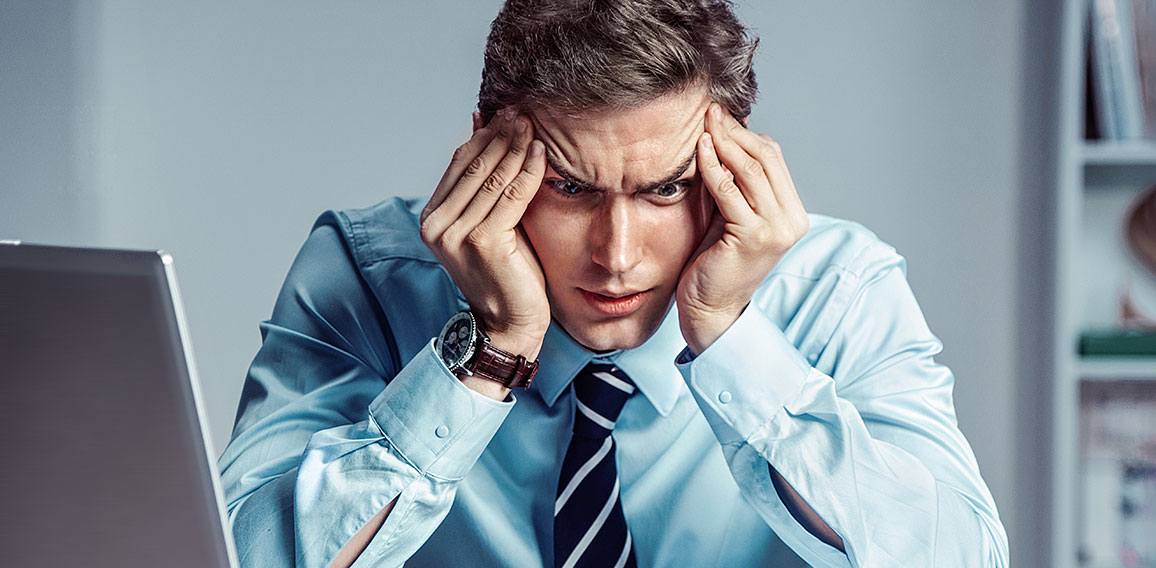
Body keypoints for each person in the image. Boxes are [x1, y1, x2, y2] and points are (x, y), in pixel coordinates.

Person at [218, 1, 1009, 566]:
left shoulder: (839, 289)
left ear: (731, 161)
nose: (617, 254)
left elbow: (960, 556)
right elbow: (234, 555)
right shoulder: (363, 274)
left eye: (665, 189)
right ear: (484, 152)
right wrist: (486, 355)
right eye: (570, 188)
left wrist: (731, 336)